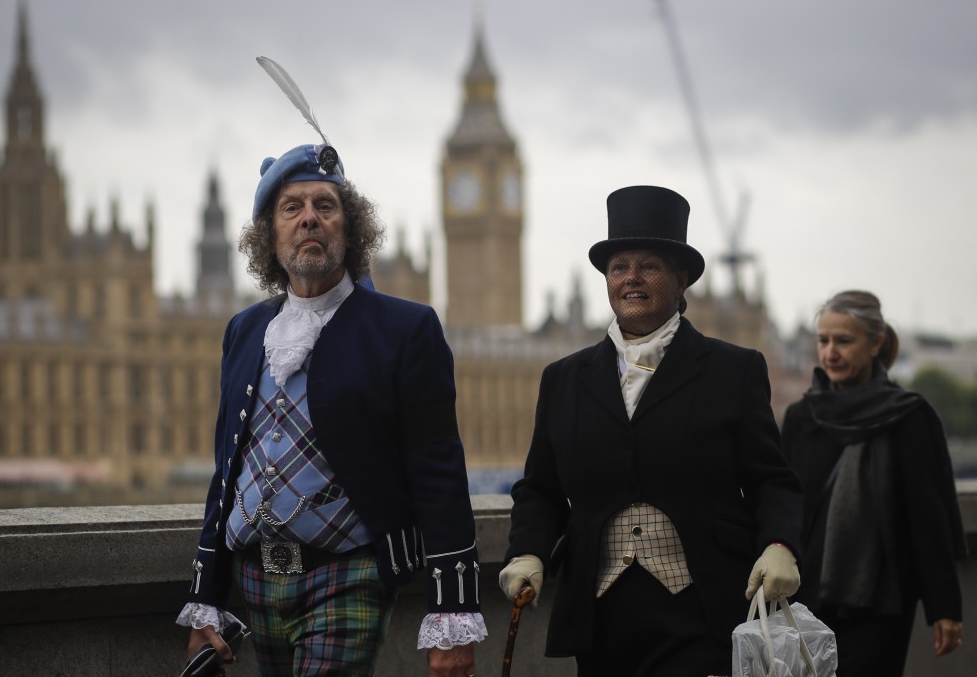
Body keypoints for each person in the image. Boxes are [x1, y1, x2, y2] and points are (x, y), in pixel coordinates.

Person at [176, 141, 486, 677]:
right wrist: (207, 597)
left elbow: (439, 470)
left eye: (326, 205)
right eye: (291, 208)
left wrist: (453, 610)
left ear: (351, 228)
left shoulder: (405, 329)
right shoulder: (245, 331)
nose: (309, 220)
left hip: (349, 575)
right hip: (255, 582)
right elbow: (227, 472)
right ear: (269, 236)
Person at [499, 185, 804, 676]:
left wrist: (780, 544)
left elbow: (773, 480)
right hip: (600, 616)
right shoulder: (564, 378)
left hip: (703, 611)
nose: (631, 280)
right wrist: (528, 550)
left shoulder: (733, 369)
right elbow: (540, 488)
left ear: (681, 281)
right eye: (619, 267)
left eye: (650, 267)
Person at [781, 289, 966, 676]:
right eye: (823, 340)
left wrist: (945, 608)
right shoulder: (802, 417)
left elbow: (928, 518)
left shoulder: (910, 418)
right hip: (805, 602)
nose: (830, 352)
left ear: (876, 344)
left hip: (881, 605)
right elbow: (784, 503)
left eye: (844, 341)